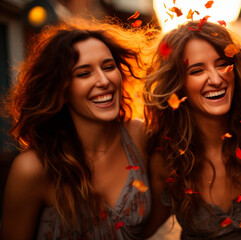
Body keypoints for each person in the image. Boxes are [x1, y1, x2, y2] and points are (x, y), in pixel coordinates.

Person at [0, 18, 153, 239]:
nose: (103, 81)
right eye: (84, 73)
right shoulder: (33, 168)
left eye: (108, 67)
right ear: (61, 91)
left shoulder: (139, 135)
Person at [143, 20, 241, 239]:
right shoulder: (165, 159)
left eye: (222, 64)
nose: (215, 79)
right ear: (178, 84)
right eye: (197, 70)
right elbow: (142, 230)